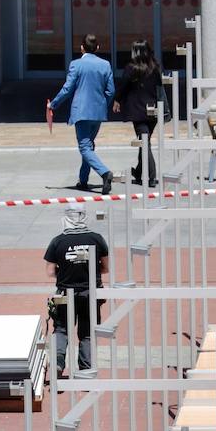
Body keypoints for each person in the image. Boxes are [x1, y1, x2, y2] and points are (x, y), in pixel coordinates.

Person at [47, 35, 116, 195]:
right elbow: (111, 90)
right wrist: (101, 103)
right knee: (89, 145)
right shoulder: (105, 65)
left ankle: (105, 173)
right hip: (98, 112)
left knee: (84, 147)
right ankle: (83, 180)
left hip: (82, 111)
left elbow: (67, 88)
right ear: (97, 48)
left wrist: (54, 104)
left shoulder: (76, 65)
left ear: (81, 48)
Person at [44, 206, 108, 376]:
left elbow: (50, 272)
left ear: (65, 219)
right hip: (90, 293)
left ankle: (57, 364)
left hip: (65, 293)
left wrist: (65, 272)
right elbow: (106, 267)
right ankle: (86, 369)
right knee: (87, 333)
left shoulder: (57, 241)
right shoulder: (97, 239)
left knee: (61, 330)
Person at [113, 39, 161, 188]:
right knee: (144, 142)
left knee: (144, 143)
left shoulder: (131, 68)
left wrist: (117, 100)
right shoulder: (155, 67)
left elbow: (122, 87)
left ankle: (151, 177)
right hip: (153, 111)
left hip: (138, 112)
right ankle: (139, 172)